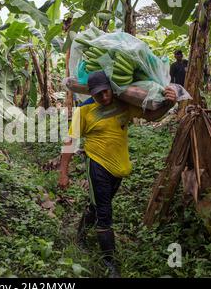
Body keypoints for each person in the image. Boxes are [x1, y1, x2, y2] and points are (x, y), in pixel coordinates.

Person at [58, 71, 177, 278]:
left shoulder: (123, 104)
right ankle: (109, 263)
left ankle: (81, 234)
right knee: (105, 212)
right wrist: (63, 173)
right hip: (97, 164)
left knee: (97, 205)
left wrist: (168, 104)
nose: (103, 97)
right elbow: (71, 141)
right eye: (98, 95)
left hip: (119, 168)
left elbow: (150, 116)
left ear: (111, 88)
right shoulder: (84, 110)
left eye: (106, 92)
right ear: (91, 93)